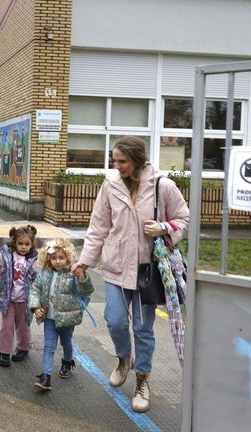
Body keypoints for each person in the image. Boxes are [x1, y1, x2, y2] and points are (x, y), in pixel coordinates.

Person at [72, 136, 188, 413]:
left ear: (137, 159)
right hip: (115, 267)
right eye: (114, 160)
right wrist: (85, 262)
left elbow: (184, 219)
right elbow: (98, 227)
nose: (117, 166)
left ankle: (142, 380)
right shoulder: (110, 185)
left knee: (143, 329)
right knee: (114, 321)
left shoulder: (163, 185)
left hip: (148, 270)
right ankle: (124, 359)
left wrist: (162, 228)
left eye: (122, 161)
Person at [29, 239, 94, 391]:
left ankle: (67, 361)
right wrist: (35, 306)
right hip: (49, 319)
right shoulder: (44, 273)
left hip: (67, 319)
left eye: (61, 258)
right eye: (53, 258)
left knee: (66, 343)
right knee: (49, 346)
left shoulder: (72, 274)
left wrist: (82, 276)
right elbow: (35, 289)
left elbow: (86, 290)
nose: (57, 261)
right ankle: (46, 376)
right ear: (48, 259)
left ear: (68, 258)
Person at [0, 225, 39, 367]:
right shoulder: (7, 255)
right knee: (7, 325)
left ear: (32, 244)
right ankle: (4, 352)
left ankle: (23, 348)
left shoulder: (33, 259)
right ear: (14, 243)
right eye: (20, 243)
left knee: (24, 325)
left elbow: (37, 278)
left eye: (27, 244)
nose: (23, 247)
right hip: (8, 298)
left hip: (24, 299)